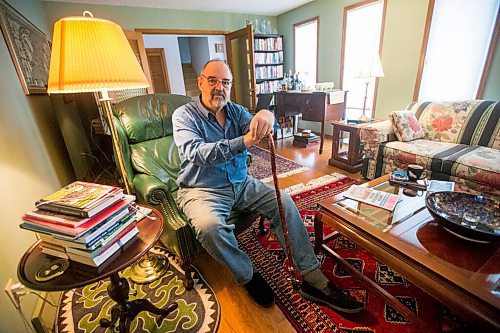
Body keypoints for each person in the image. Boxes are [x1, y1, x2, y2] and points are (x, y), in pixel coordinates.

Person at [172, 59, 363, 313]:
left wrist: (267, 115)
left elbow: (262, 126)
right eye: (213, 80)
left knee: (283, 200)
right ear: (200, 82)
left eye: (226, 82)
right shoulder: (184, 116)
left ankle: (312, 277)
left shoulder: (236, 112)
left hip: (241, 183)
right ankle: (248, 275)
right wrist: (244, 141)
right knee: (210, 228)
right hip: (201, 190)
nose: (220, 87)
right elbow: (197, 153)